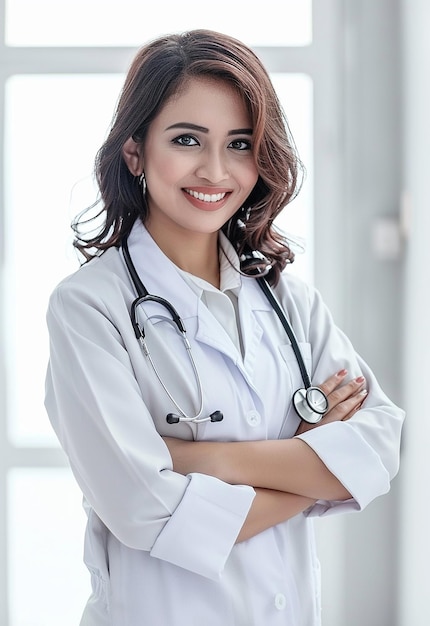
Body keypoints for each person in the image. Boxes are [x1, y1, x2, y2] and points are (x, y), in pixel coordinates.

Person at [44, 29, 404, 626]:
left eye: (240, 144)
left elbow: (380, 444)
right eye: (187, 139)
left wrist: (196, 459)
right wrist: (313, 468)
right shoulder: (89, 307)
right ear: (135, 150)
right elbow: (146, 509)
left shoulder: (290, 302)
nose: (215, 170)